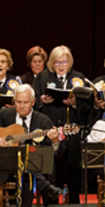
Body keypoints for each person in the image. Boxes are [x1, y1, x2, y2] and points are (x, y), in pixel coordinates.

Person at [35, 45, 91, 199]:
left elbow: (88, 106)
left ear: (70, 63)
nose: (61, 66)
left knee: (72, 166)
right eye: (57, 63)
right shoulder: (43, 78)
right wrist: (41, 100)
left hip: (71, 129)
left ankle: (73, 203)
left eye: (64, 63)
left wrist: (74, 102)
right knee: (49, 165)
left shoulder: (78, 78)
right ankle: (49, 202)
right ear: (52, 63)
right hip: (50, 127)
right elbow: (32, 101)